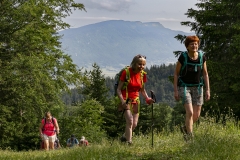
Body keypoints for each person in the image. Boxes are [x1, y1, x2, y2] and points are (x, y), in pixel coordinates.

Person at [173, 35, 210, 141]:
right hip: (184, 87)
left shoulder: (202, 56)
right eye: (191, 44)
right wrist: (176, 90)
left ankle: (185, 128)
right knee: (189, 112)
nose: (194, 45)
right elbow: (176, 73)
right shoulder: (183, 57)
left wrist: (208, 90)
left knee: (196, 115)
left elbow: (205, 74)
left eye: (196, 43)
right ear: (187, 46)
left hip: (198, 87)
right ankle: (189, 137)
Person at [117, 54, 155, 144]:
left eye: (143, 65)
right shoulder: (126, 73)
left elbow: (142, 90)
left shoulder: (142, 75)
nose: (141, 67)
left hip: (136, 101)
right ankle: (129, 142)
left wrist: (147, 99)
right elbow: (118, 89)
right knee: (129, 121)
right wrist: (122, 102)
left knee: (134, 124)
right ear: (134, 63)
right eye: (139, 64)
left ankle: (124, 137)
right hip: (126, 100)